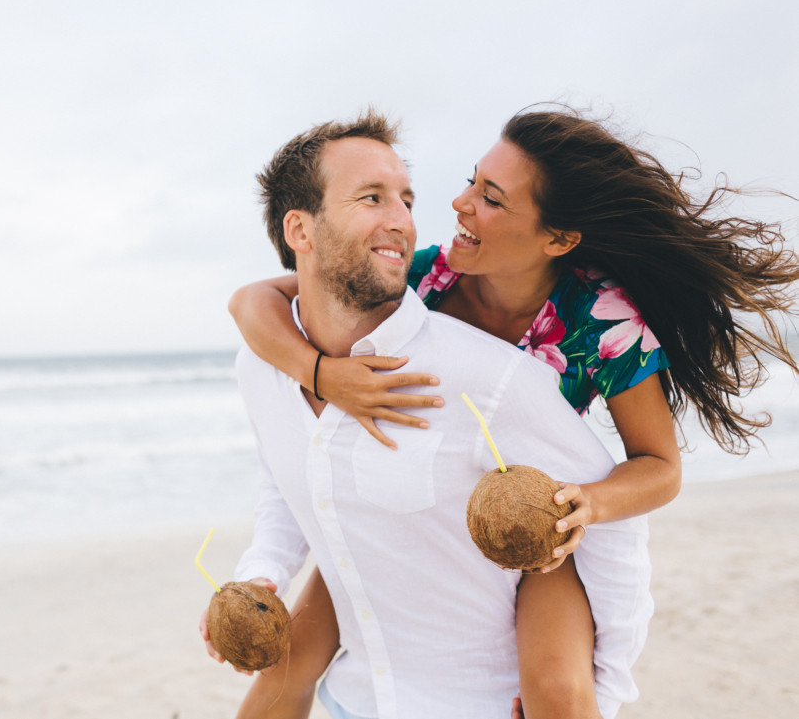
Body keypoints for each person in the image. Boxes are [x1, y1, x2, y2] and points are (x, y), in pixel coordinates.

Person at [225, 106, 799, 719]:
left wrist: (585, 504)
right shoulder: (425, 277)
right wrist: (319, 374)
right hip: (436, 501)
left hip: (535, 517)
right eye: (472, 180)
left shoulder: (603, 320)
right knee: (291, 665)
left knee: (558, 696)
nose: (459, 203)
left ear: (557, 239)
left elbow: (660, 465)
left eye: (491, 198)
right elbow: (254, 300)